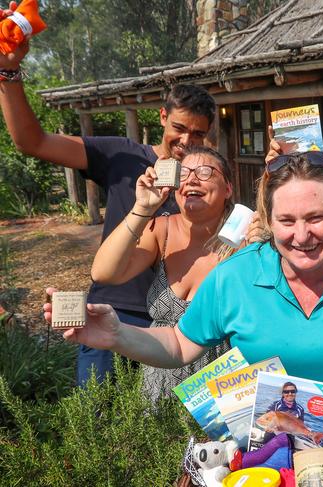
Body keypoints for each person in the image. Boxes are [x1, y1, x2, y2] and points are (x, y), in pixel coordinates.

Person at [44, 152, 323, 440]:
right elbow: (180, 345)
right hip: (253, 455)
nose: (302, 235)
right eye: (286, 221)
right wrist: (119, 334)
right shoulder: (237, 275)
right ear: (268, 217)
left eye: (316, 218)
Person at [0, 30, 217, 384]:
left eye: (198, 134)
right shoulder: (122, 155)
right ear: (162, 116)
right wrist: (8, 74)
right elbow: (31, 141)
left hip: (173, 326)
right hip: (112, 311)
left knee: (162, 430)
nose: (186, 141)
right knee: (96, 424)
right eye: (179, 127)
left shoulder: (204, 180)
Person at [90, 146, 235, 400]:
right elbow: (103, 273)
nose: (191, 178)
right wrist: (143, 208)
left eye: (204, 172)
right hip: (159, 387)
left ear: (228, 188)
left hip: (224, 391)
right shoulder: (161, 230)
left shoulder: (244, 237)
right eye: (184, 173)